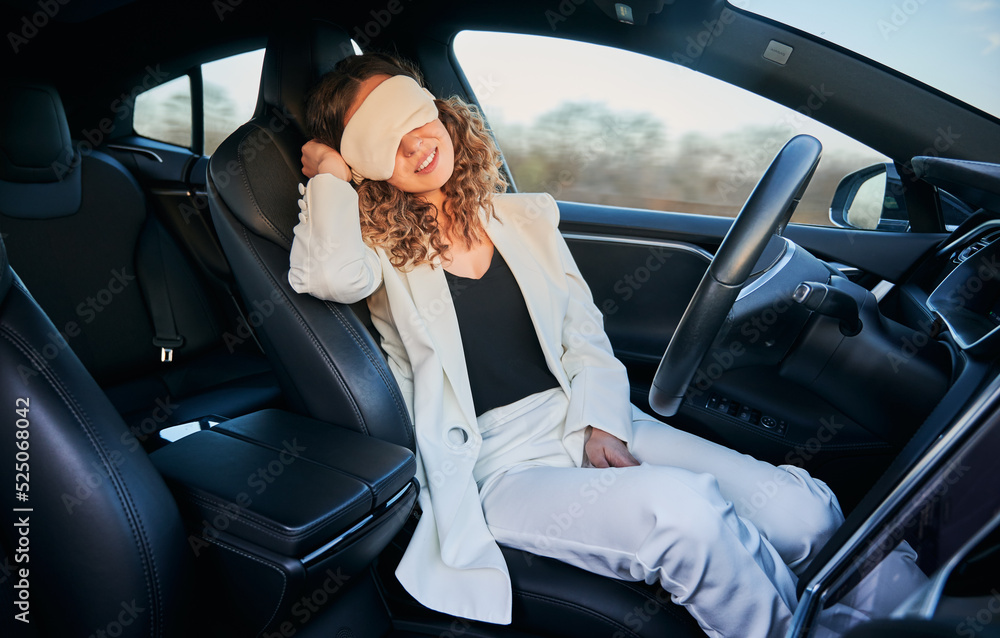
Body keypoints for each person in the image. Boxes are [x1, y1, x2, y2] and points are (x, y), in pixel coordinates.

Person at [288, 52, 844, 638]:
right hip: (498, 465)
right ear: (360, 161)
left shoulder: (524, 220)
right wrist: (327, 174)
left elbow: (585, 332)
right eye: (381, 138)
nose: (413, 143)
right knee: (686, 516)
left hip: (585, 414)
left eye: (411, 116)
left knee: (801, 514)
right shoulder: (376, 251)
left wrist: (600, 421)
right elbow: (328, 277)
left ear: (439, 111)